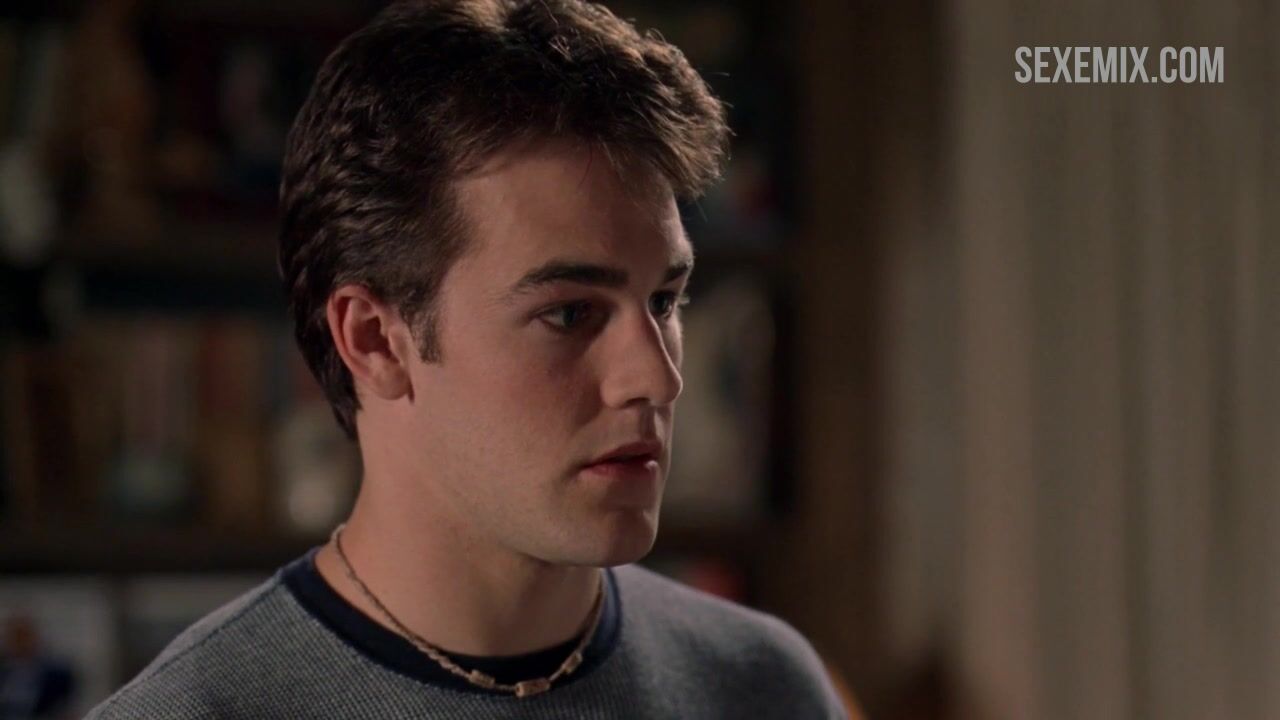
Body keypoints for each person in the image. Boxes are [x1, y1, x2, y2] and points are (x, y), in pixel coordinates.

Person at [88, 0, 847, 717]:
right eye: (570, 313)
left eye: (663, 301)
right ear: (374, 340)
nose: (657, 377)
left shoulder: (760, 686)